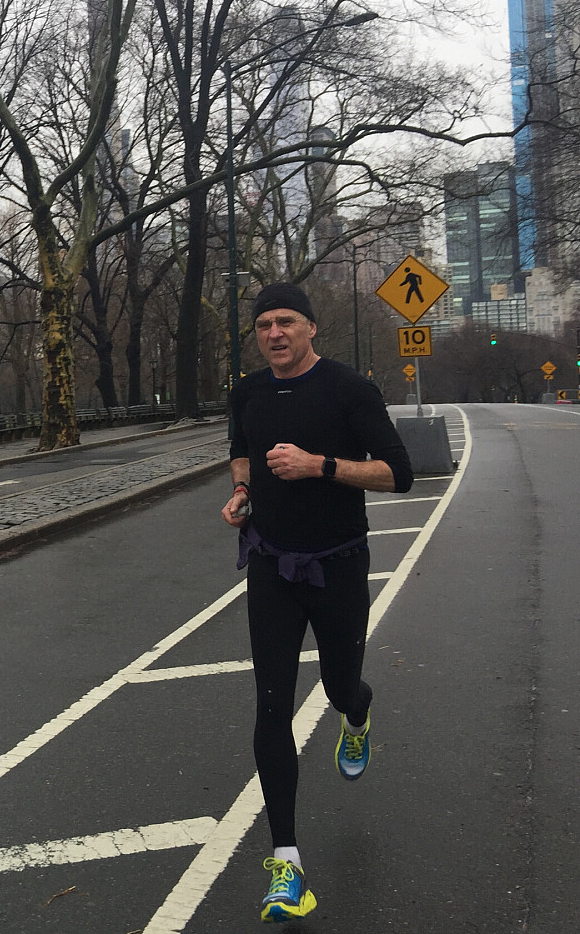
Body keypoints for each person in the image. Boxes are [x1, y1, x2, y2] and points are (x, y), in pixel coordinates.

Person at [221, 282, 413, 924]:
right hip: (271, 565)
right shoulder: (247, 392)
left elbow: (399, 473)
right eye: (264, 325)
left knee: (338, 687)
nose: (274, 333)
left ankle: (357, 713)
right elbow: (241, 452)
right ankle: (287, 863)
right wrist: (242, 494)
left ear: (310, 328)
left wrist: (319, 466)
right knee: (272, 705)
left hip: (338, 563)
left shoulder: (349, 389)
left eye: (286, 322)